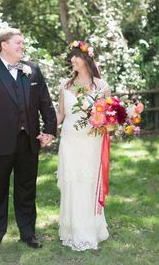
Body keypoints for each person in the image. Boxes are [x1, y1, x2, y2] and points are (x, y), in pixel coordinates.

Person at [0, 27, 57, 251]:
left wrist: (49, 130)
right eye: (18, 43)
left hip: (28, 141)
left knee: (27, 189)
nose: (22, 46)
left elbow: (45, 103)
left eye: (22, 43)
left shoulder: (32, 70)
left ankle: (28, 233)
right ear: (4, 45)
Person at [56, 40, 111, 251]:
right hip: (70, 141)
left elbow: (108, 115)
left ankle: (90, 229)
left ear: (86, 58)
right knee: (72, 182)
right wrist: (48, 130)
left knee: (89, 183)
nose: (72, 60)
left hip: (93, 143)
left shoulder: (102, 86)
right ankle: (72, 229)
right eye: (71, 56)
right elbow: (61, 114)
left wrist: (109, 122)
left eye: (75, 56)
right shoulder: (65, 85)